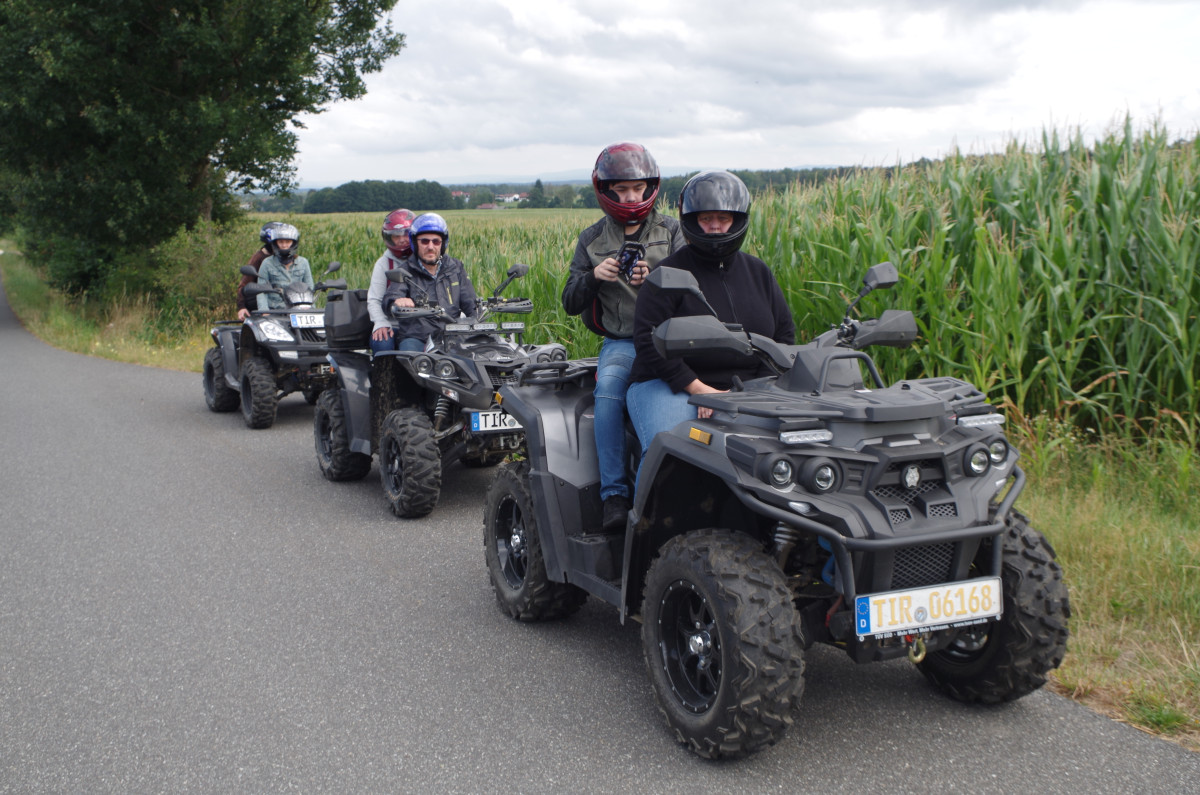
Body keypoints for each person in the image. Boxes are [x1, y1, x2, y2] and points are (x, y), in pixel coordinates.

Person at [626, 170, 795, 459]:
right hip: (671, 385)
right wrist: (699, 389)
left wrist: (755, 390)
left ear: (737, 220)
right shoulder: (668, 274)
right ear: (692, 221)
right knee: (672, 451)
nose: (715, 227)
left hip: (750, 388)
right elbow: (647, 338)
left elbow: (783, 334)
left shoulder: (758, 272)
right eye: (706, 220)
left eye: (723, 219)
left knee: (797, 444)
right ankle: (649, 504)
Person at [562, 142, 686, 530]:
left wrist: (656, 278)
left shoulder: (671, 230)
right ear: (607, 190)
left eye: (637, 188)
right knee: (609, 393)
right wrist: (592, 279)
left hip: (673, 337)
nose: (631, 196)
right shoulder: (592, 239)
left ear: (650, 187)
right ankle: (614, 495)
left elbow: (696, 289)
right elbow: (568, 300)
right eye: (622, 189)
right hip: (623, 342)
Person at [380, 213, 479, 352]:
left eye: (436, 241)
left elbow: (471, 304)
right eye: (425, 241)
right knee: (409, 360)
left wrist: (479, 320)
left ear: (443, 244)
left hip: (451, 334)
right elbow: (390, 298)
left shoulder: (455, 268)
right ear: (415, 243)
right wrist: (397, 302)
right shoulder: (405, 271)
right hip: (417, 337)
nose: (431, 247)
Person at [368, 208, 417, 354]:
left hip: (419, 324)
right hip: (392, 323)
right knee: (382, 343)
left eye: (405, 234)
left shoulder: (424, 261)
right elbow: (374, 299)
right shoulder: (383, 263)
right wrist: (381, 322)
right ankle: (383, 376)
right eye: (396, 236)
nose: (401, 239)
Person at [254, 223, 313, 311]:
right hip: (275, 309)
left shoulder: (303, 262)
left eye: (288, 242)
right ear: (275, 243)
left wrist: (312, 309)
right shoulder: (267, 263)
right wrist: (264, 311)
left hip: (299, 309)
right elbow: (261, 290)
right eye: (281, 242)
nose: (284, 245)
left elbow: (310, 288)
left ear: (293, 243)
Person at [236, 221, 284, 320]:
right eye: (280, 241)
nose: (283, 245)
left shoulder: (286, 258)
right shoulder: (259, 258)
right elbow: (244, 284)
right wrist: (241, 306)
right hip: (263, 301)